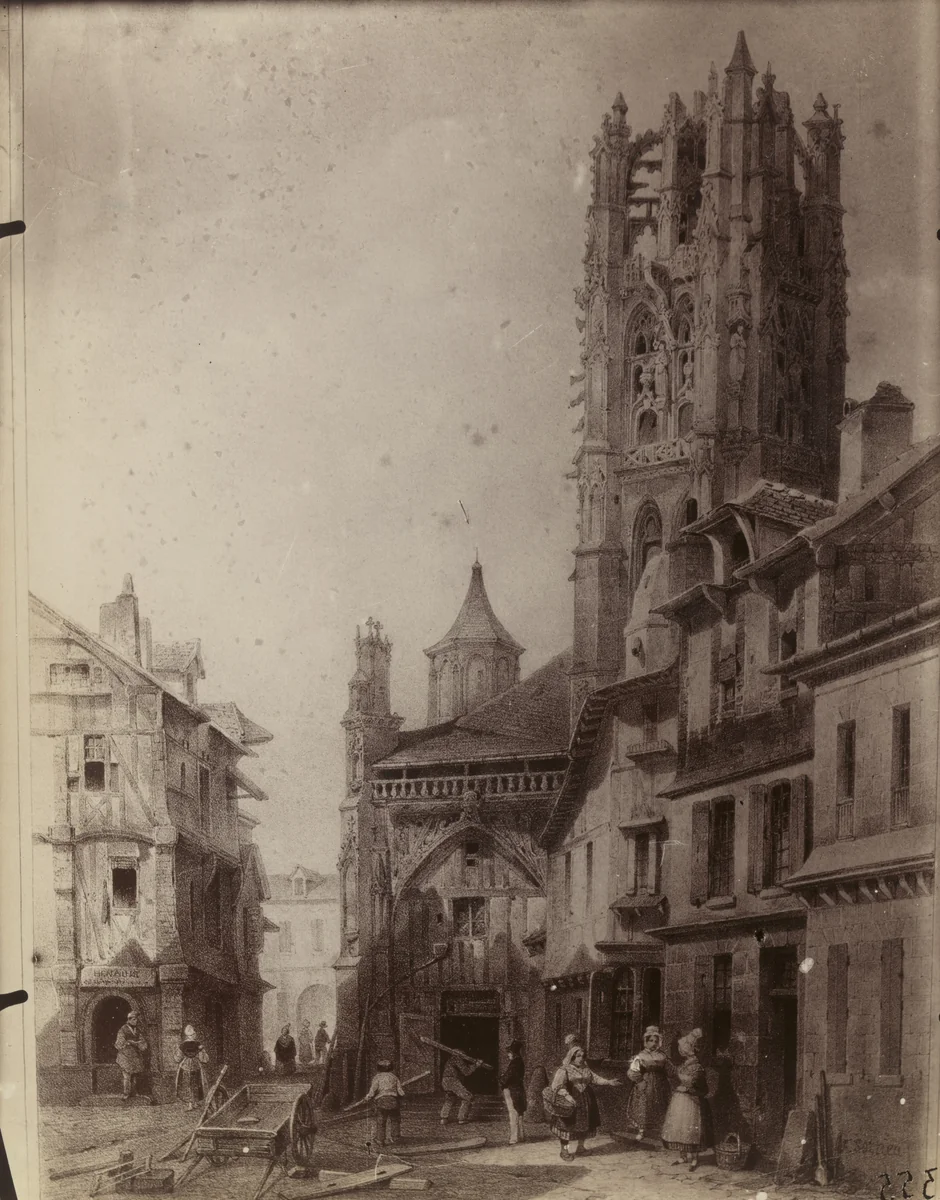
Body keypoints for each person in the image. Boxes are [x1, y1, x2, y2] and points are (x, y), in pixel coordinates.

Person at [549, 1045, 622, 1161]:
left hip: (586, 1099)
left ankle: (580, 1147)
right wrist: (567, 1096)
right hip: (570, 1101)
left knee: (585, 1125)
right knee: (566, 1127)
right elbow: (556, 1086)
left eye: (583, 1056)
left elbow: (594, 1078)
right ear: (572, 1057)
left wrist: (608, 1082)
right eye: (578, 1056)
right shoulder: (564, 1069)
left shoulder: (585, 1068)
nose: (581, 1058)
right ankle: (564, 1151)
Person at [660, 1028, 713, 1171]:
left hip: (691, 1101)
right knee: (679, 1127)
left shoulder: (697, 1067)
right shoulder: (684, 1065)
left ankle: (694, 1159)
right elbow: (675, 1076)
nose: (682, 1053)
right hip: (680, 1099)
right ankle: (682, 1156)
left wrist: (688, 1088)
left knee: (691, 1129)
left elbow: (701, 1087)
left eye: (683, 1050)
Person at [624, 1026, 672, 1143]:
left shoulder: (662, 1056)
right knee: (643, 1105)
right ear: (646, 1041)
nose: (654, 1043)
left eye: (656, 1041)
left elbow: (670, 1069)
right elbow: (632, 1071)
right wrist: (640, 1081)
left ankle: (662, 1132)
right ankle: (641, 1131)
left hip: (661, 1083)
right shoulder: (640, 1056)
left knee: (660, 1105)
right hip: (646, 1082)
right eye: (651, 1041)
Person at [365, 1058, 405, 1147]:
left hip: (382, 1101)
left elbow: (373, 1090)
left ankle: (380, 1140)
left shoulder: (377, 1077)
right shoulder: (394, 1077)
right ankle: (396, 1138)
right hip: (393, 1102)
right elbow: (401, 1092)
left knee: (381, 1121)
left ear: (379, 1068)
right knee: (395, 1120)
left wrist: (368, 1097)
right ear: (391, 1068)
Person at [115, 1011, 148, 1102]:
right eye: (134, 1019)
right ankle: (126, 1094)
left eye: (136, 1019)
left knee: (134, 1075)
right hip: (125, 1056)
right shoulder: (123, 1029)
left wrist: (141, 1045)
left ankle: (133, 1092)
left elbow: (142, 1041)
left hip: (134, 1055)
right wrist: (129, 1042)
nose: (136, 1021)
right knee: (127, 1075)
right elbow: (119, 1042)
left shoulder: (137, 1030)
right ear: (129, 1020)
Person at [174, 1025, 209, 1111]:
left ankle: (190, 1104)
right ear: (193, 1034)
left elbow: (178, 1058)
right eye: (194, 1034)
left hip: (185, 1065)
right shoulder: (198, 1044)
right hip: (195, 1065)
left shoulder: (182, 1045)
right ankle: (195, 1103)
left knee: (187, 1084)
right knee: (196, 1083)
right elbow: (203, 1058)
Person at [440, 1052, 481, 1125]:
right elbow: (466, 1072)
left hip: (445, 1081)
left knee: (450, 1098)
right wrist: (476, 1065)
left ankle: (443, 1118)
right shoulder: (457, 1058)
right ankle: (462, 1118)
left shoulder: (450, 1060)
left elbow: (464, 1069)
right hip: (453, 1081)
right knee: (468, 1097)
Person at [500, 1039, 527, 1146]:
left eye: (509, 1053)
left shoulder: (515, 1063)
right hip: (518, 1089)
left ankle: (514, 1138)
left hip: (512, 1090)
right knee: (519, 1112)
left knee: (513, 1113)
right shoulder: (519, 1061)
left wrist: (501, 1079)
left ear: (513, 1053)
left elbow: (507, 1077)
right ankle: (521, 1136)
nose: (508, 1055)